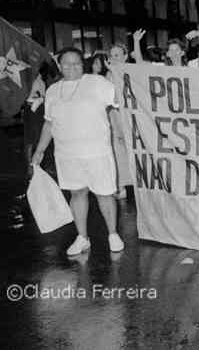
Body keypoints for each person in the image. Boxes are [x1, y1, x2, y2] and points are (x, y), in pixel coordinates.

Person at [30, 48, 124, 255]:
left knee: (104, 194)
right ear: (59, 65)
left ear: (84, 64)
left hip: (97, 152)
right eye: (66, 64)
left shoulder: (98, 83)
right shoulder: (53, 90)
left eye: (77, 64)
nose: (72, 67)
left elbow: (121, 99)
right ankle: (82, 237)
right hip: (67, 154)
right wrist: (40, 150)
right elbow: (49, 124)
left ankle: (113, 234)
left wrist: (117, 72)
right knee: (77, 193)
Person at [105, 42, 133, 199]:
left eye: (117, 55)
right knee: (118, 152)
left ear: (125, 56)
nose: (114, 58)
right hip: (116, 117)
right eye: (112, 55)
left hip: (132, 117)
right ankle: (121, 185)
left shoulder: (133, 73)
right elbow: (109, 101)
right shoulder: (108, 76)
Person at [132, 29, 199, 67]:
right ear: (168, 54)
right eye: (171, 50)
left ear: (182, 53)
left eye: (176, 50)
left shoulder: (190, 65)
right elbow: (140, 63)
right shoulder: (163, 67)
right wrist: (136, 41)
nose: (173, 52)